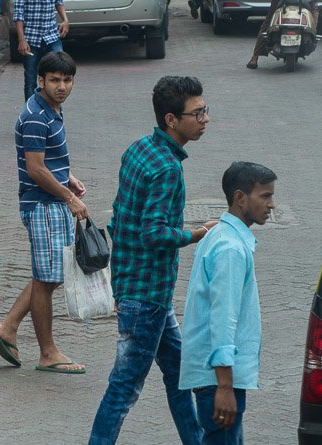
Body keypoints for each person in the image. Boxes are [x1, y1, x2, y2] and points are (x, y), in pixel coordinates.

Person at [89, 76, 217, 445]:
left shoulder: (140, 148)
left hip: (144, 291)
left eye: (205, 110)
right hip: (146, 297)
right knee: (123, 389)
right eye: (197, 113)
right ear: (171, 120)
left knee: (181, 376)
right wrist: (196, 232)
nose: (205, 118)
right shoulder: (167, 169)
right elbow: (154, 233)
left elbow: (119, 217)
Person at [0, 51, 88, 374]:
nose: (62, 86)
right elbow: (34, 169)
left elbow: (45, 159)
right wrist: (68, 196)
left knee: (50, 275)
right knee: (47, 279)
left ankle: (9, 327)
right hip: (43, 205)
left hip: (51, 200)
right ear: (40, 80)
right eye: (55, 80)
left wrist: (67, 176)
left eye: (67, 80)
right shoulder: (35, 116)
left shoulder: (51, 109)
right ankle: (47, 352)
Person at [180, 162, 277, 445]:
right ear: (240, 198)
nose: (271, 204)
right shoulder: (230, 249)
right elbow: (223, 318)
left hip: (217, 377)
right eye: (265, 196)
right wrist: (224, 386)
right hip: (218, 380)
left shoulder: (221, 235)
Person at [13, 0, 68, 102]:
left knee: (59, 71)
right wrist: (22, 40)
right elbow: (18, 13)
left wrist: (65, 20)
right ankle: (30, 113)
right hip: (31, 38)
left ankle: (55, 109)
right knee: (31, 78)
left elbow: (59, 2)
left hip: (51, 35)